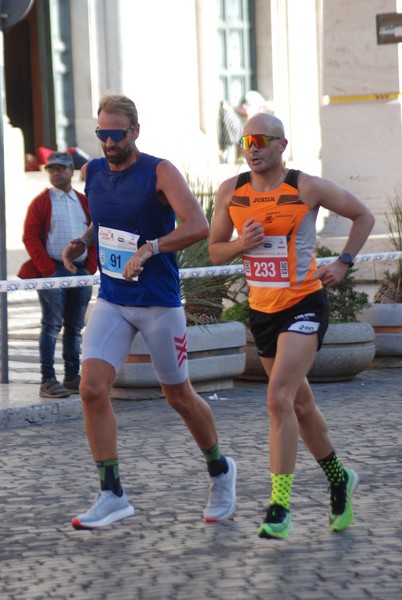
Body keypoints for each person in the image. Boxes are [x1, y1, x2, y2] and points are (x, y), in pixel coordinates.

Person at [62, 93, 236, 530]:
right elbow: (105, 219)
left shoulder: (159, 171)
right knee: (91, 390)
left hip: (159, 303)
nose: (107, 142)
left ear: (135, 131)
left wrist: (152, 248)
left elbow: (196, 225)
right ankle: (112, 493)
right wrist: (85, 241)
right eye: (101, 134)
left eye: (116, 134)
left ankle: (220, 470)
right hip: (114, 300)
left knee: (178, 396)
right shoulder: (93, 171)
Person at [208, 113, 374, 540]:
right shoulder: (232, 191)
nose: (253, 147)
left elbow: (363, 216)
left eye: (262, 140)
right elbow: (214, 251)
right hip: (262, 311)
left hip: (304, 303)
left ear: (282, 145)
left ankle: (279, 506)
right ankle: (339, 478)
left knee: (278, 398)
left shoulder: (305, 187)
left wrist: (343, 262)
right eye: (246, 141)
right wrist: (240, 244)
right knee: (300, 407)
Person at [19, 151, 97, 398]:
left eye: (60, 169)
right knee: (52, 324)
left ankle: (72, 376)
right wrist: (48, 270)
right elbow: (30, 237)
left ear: (70, 171)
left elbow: (96, 232)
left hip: (80, 271)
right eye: (51, 169)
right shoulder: (42, 202)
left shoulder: (84, 201)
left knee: (75, 326)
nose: (55, 173)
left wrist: (89, 266)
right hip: (52, 269)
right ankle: (47, 379)